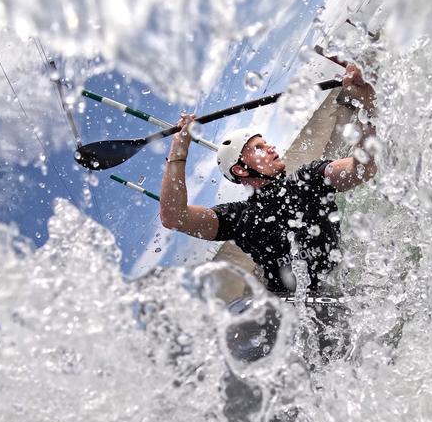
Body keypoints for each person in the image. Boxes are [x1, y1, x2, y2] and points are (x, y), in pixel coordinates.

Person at [160, 62, 377, 294]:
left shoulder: (309, 178)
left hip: (337, 288)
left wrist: (365, 104)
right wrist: (179, 147)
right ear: (241, 170)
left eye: (266, 143)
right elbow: (174, 217)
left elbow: (363, 168)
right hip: (287, 307)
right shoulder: (238, 218)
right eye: (259, 148)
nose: (271, 148)